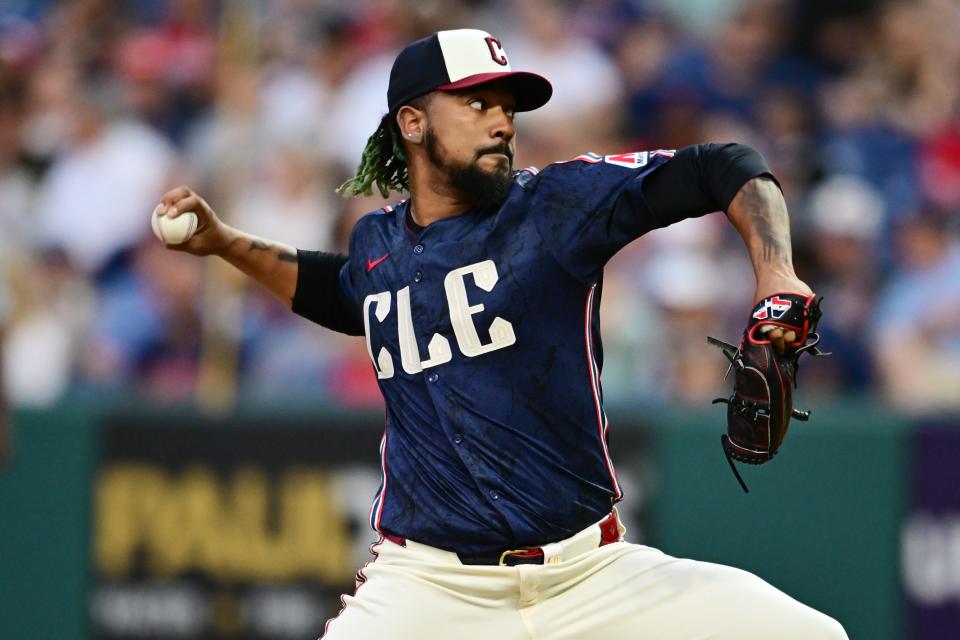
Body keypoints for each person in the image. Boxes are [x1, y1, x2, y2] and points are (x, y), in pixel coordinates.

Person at [156, 28, 846, 639]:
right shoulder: (377, 245)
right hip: (431, 588)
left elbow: (718, 165)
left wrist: (776, 272)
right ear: (414, 122)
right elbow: (340, 292)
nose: (502, 124)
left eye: (508, 108)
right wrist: (224, 243)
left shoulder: (554, 206)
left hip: (591, 576)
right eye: (478, 103)